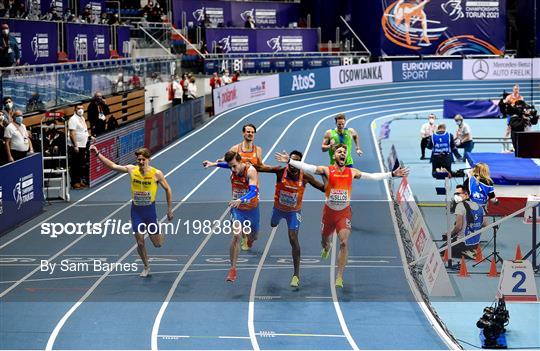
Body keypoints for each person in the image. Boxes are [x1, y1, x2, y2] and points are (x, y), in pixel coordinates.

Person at [275, 144, 408, 288]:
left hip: (343, 213)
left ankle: (339, 277)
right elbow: (309, 167)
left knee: (344, 242)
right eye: (339, 151)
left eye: (345, 152)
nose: (343, 153)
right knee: (325, 241)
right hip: (328, 213)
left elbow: (371, 177)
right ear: (334, 156)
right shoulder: (326, 170)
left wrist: (392, 175)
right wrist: (290, 161)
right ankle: (326, 247)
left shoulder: (352, 172)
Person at [89, 145, 174, 277]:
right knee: (140, 241)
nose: (140, 162)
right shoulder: (131, 169)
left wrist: (169, 209)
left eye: (143, 160)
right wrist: (97, 154)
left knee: (158, 244)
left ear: (148, 159)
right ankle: (146, 266)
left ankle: (159, 233)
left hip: (150, 211)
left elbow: (168, 189)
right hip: (136, 211)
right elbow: (112, 166)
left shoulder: (157, 173)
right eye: (138, 160)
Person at [251, 150, 325, 287]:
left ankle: (296, 275)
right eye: (291, 161)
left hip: (293, 213)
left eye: (296, 162)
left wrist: (326, 174)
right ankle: (274, 221)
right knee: (273, 224)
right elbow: (260, 168)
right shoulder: (280, 171)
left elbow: (324, 188)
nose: (292, 165)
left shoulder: (306, 177)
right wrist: (244, 163)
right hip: (278, 210)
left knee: (293, 238)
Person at [202, 150, 260, 282]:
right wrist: (212, 164)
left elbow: (253, 192)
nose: (232, 169)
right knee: (236, 235)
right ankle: (233, 269)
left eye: (234, 166)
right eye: (231, 167)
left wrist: (242, 199)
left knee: (254, 236)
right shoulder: (232, 166)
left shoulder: (250, 171)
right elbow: (225, 165)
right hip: (236, 209)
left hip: (251, 208)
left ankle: (249, 240)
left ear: (240, 162)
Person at [448, 185, 487, 259]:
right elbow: (485, 224)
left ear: (466, 194)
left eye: (458, 194)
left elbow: (458, 227)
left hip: (463, 243)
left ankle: (465, 251)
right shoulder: (480, 206)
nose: (456, 196)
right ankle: (470, 250)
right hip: (475, 243)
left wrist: (449, 234)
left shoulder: (460, 206)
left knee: (442, 251)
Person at [68, 105, 89, 189]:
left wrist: (89, 136)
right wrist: (75, 145)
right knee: (75, 164)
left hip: (83, 145)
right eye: (78, 108)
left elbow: (84, 130)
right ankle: (74, 182)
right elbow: (72, 133)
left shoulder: (82, 118)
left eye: (82, 108)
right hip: (76, 146)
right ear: (75, 109)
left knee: (81, 164)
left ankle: (79, 180)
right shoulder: (73, 119)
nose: (80, 110)